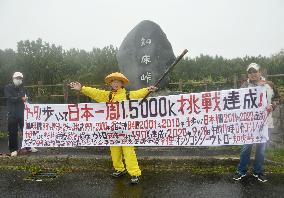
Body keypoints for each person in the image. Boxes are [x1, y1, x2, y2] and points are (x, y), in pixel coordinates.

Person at [69, 72, 157, 184]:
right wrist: (82, 88)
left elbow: (139, 93)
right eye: (113, 81)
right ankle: (119, 169)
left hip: (125, 129)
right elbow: (95, 93)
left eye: (118, 81)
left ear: (122, 84)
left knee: (129, 152)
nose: (115, 83)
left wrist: (148, 89)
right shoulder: (108, 96)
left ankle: (135, 174)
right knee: (114, 151)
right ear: (110, 84)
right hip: (113, 129)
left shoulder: (128, 95)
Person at [233, 63, 281, 182]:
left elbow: (278, 98)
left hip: (265, 123)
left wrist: (272, 105)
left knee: (261, 149)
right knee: (246, 148)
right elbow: (238, 101)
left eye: (255, 71)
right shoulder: (244, 85)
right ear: (248, 74)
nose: (253, 74)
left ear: (260, 72)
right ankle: (241, 171)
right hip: (249, 123)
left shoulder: (269, 85)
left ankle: (258, 171)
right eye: (250, 72)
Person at [4, 72, 38, 157]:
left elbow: (27, 99)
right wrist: (20, 98)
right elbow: (11, 99)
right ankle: (13, 150)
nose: (18, 80)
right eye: (17, 78)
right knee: (12, 132)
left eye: (20, 78)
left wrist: (27, 100)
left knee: (26, 130)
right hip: (12, 113)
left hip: (23, 113)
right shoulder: (8, 87)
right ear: (13, 78)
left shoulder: (24, 88)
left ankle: (29, 147)